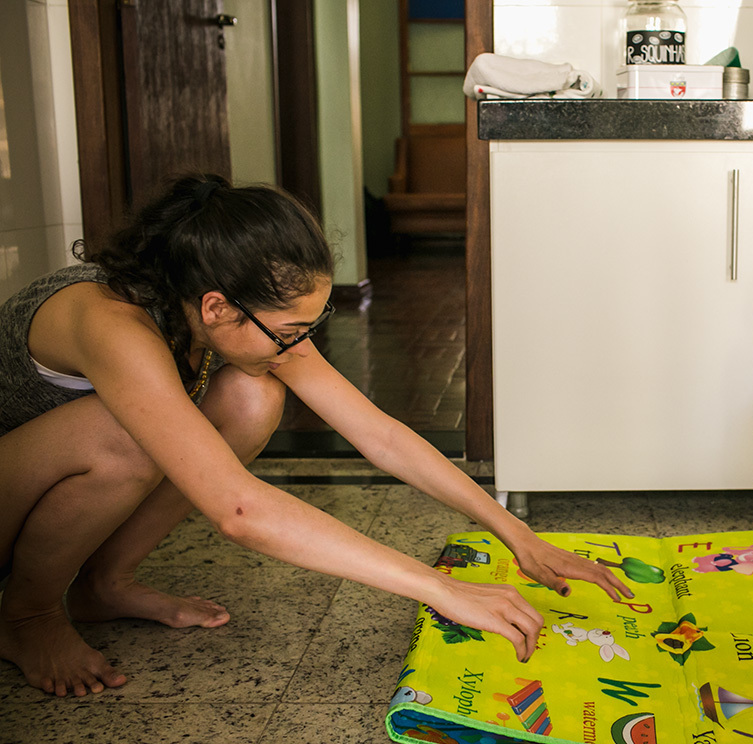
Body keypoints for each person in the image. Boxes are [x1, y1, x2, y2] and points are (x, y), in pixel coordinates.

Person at [0, 174, 632, 697]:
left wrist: (516, 534)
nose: (299, 346)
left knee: (253, 395)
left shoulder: (218, 310)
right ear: (218, 307)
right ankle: (26, 612)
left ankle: (101, 584)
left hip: (39, 484)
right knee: (129, 435)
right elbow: (239, 509)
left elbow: (379, 435)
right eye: (289, 331)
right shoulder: (111, 325)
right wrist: (441, 589)